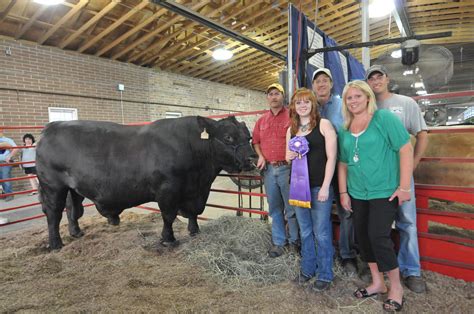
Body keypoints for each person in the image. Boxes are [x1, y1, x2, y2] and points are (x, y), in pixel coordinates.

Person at [338, 80, 413, 312]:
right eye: (349, 98)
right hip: (358, 192)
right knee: (362, 237)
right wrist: (343, 192)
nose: (353, 101)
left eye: (358, 96)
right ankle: (378, 283)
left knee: (379, 237)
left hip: (384, 191)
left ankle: (396, 287)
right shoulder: (346, 128)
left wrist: (404, 187)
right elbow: (343, 163)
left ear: (368, 97)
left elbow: (405, 148)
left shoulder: (384, 119)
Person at [366, 64, 429, 293]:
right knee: (374, 224)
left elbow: (422, 135)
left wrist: (412, 165)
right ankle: (380, 269)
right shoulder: (367, 107)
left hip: (400, 175)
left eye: (379, 76)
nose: (375, 81)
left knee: (407, 222)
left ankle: (412, 271)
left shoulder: (406, 104)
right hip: (376, 178)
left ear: (387, 78)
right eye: (371, 78)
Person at [286, 88, 337, 291]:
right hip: (299, 188)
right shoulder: (291, 129)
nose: (303, 105)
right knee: (305, 231)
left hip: (319, 187)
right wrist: (290, 155)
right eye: (298, 103)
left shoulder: (324, 125)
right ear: (294, 106)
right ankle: (308, 269)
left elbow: (332, 157)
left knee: (322, 232)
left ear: (313, 104)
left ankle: (325, 273)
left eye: (307, 102)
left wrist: (326, 186)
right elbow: (287, 155)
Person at [312, 68, 358, 275]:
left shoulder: (342, 106)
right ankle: (320, 252)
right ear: (313, 86)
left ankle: (347, 255)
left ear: (331, 84)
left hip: (340, 166)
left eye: (324, 81)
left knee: (345, 211)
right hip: (316, 170)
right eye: (317, 82)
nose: (321, 85)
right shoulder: (309, 107)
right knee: (317, 211)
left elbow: (352, 133)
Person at [252, 83, 299, 257]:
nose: (273, 97)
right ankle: (279, 242)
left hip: (288, 168)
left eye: (277, 93)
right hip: (269, 170)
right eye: (270, 94)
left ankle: (295, 242)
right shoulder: (261, 120)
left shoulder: (292, 116)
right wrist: (261, 156)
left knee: (292, 208)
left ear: (283, 96)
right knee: (275, 208)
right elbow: (255, 141)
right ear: (267, 97)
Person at [0, 128, 19, 202]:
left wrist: (9, 156)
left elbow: (16, 148)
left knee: (6, 178)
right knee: (1, 180)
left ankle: (9, 195)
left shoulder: (7, 140)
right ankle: (5, 194)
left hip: (5, 162)